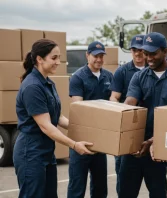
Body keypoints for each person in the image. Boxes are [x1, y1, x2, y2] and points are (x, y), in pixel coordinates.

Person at [13, 39, 94, 198]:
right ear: (39, 59)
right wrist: (74, 144)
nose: (58, 62)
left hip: (46, 151)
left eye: (59, 57)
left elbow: (58, 117)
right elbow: (45, 126)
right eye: (54, 58)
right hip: (30, 152)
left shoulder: (48, 83)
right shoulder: (33, 86)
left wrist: (82, 131)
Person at [118, 32, 167, 198]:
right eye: (146, 53)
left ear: (165, 51)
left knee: (158, 192)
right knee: (125, 192)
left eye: (153, 53)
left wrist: (155, 141)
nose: (148, 58)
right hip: (135, 147)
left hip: (158, 147)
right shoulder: (139, 77)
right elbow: (130, 104)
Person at [67, 41, 114, 198]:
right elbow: (78, 108)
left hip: (100, 140)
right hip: (81, 139)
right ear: (87, 55)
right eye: (95, 56)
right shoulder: (78, 77)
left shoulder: (109, 76)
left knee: (100, 186)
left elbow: (113, 105)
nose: (99, 60)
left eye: (101, 56)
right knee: (77, 186)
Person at [109, 34, 146, 194]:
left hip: (147, 128)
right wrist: (125, 115)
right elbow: (113, 97)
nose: (138, 53)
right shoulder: (122, 71)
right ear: (130, 51)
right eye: (134, 50)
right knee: (123, 175)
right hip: (127, 128)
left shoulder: (153, 69)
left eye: (141, 50)